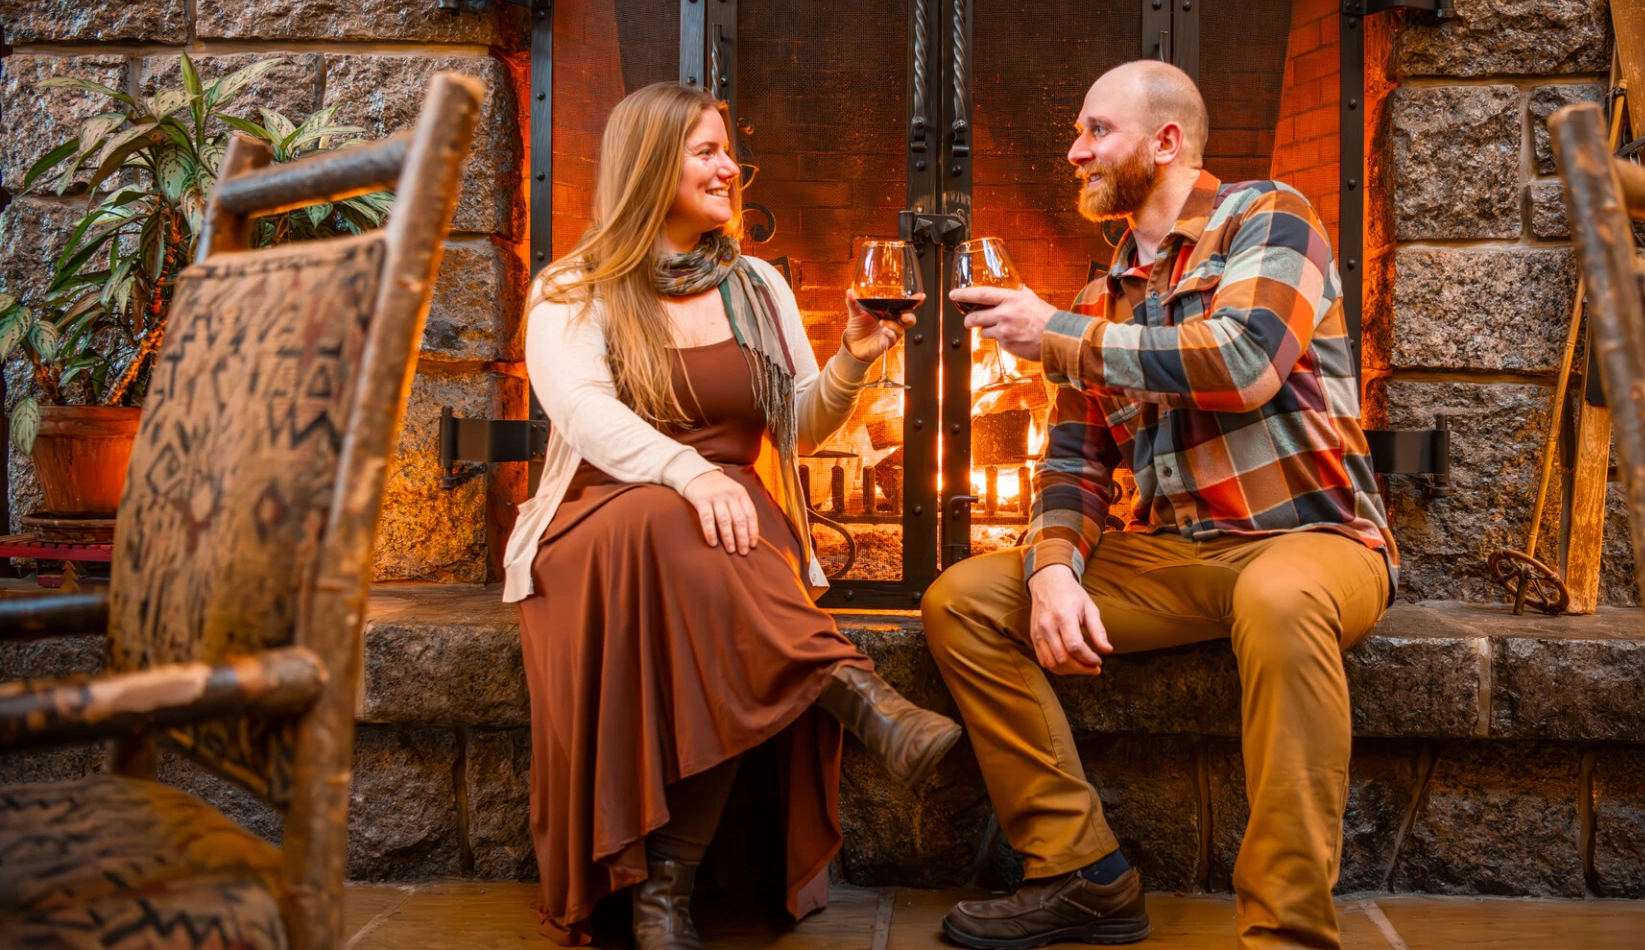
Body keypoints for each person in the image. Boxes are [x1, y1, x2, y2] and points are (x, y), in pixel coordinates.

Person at [924, 60, 1398, 950]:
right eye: (1079, 133)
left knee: (1281, 596)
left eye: (1096, 130)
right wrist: (1055, 569)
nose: (1075, 151)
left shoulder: (1268, 215)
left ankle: (1289, 932)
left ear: (1167, 141)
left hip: (1316, 541)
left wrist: (1058, 337)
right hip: (1179, 558)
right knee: (963, 601)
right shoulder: (1099, 300)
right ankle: (1079, 872)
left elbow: (1245, 359)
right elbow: (1073, 463)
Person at [502, 82, 962, 949]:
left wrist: (855, 361)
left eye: (729, 154)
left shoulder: (756, 285)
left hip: (729, 530)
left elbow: (795, 424)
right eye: (707, 152)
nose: (730, 170)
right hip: (600, 524)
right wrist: (688, 473)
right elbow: (582, 410)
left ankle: (662, 895)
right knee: (674, 519)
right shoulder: (576, 286)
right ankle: (850, 690)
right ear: (650, 165)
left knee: (719, 553)